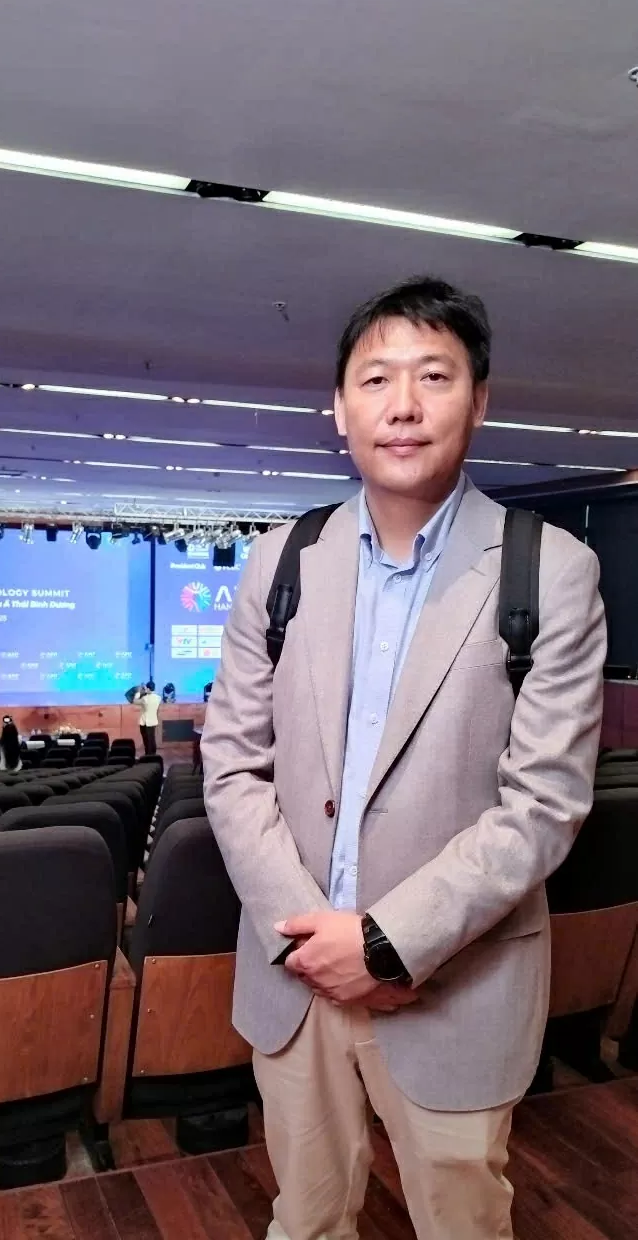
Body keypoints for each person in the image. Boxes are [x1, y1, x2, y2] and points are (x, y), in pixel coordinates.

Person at [202, 276, 606, 1240]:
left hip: (454, 988)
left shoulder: (548, 568)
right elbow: (232, 763)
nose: (405, 405)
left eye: (435, 375)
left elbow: (543, 805)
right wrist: (310, 941)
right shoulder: (283, 559)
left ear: (479, 400)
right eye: (377, 378)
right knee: (306, 1223)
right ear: (340, 408)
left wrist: (386, 944)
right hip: (295, 979)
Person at [134, 680, 161, 755]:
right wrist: (146, 690)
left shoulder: (144, 699)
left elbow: (135, 701)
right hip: (153, 721)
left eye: (146, 688)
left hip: (145, 722)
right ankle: (153, 755)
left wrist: (138, 692)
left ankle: (148, 755)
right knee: (152, 739)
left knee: (147, 741)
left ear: (148, 689)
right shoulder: (158, 698)